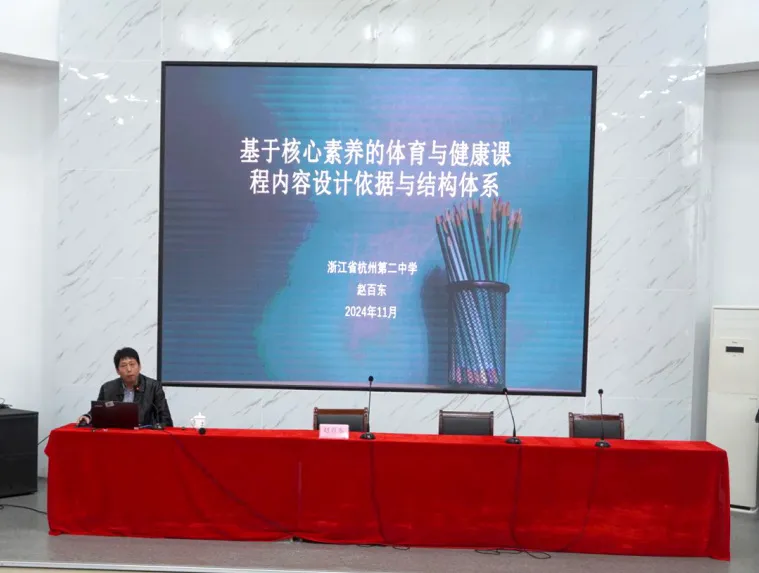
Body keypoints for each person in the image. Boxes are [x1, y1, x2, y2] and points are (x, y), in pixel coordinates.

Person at [77, 348, 173, 427]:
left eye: (132, 364)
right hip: (116, 436)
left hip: (144, 436)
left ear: (139, 366)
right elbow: (98, 411)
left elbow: (165, 419)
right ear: (117, 371)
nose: (129, 369)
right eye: (123, 366)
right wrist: (88, 417)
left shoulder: (154, 387)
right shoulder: (107, 388)